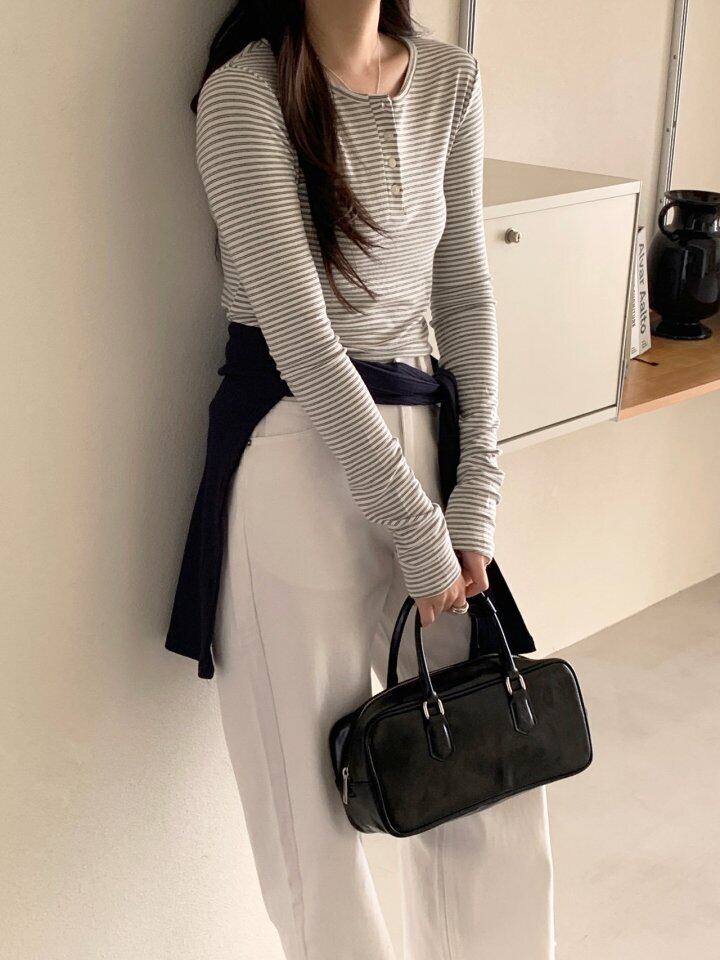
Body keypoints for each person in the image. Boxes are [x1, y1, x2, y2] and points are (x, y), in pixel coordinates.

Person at [175, 2, 556, 957]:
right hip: (293, 455)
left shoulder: (450, 80)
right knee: (312, 827)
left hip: (428, 448)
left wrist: (475, 496)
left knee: (491, 765)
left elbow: (464, 292)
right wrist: (419, 533)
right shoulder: (244, 96)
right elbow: (303, 339)